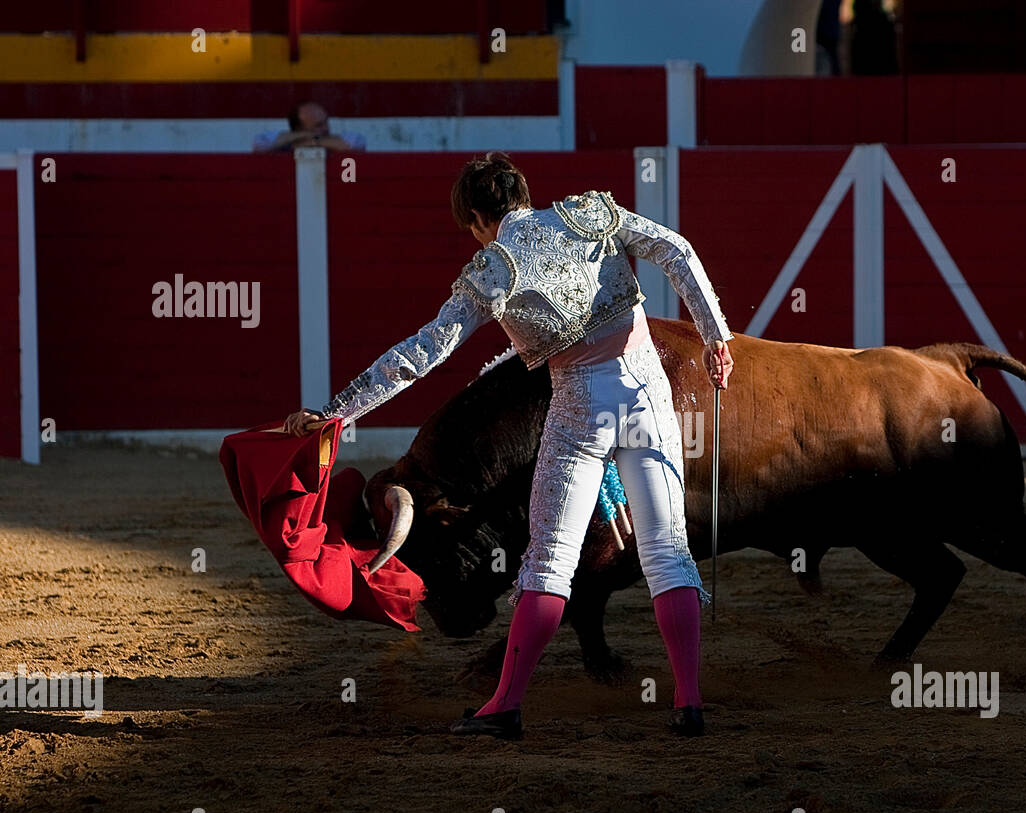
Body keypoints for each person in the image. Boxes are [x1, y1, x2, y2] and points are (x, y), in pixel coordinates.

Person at [283, 152, 735, 739]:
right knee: (667, 552)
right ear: (524, 193)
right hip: (648, 391)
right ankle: (689, 702)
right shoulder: (589, 215)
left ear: (477, 216)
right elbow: (677, 250)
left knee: (550, 561)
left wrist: (335, 413)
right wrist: (715, 338)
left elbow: (425, 354)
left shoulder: (492, 270)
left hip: (579, 407)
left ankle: (505, 705)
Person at [254, 101, 365, 153]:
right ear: (299, 129)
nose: (326, 128)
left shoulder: (337, 139)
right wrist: (299, 137)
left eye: (326, 122)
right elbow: (259, 146)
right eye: (318, 125)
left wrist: (314, 141)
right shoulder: (284, 140)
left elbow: (356, 144)